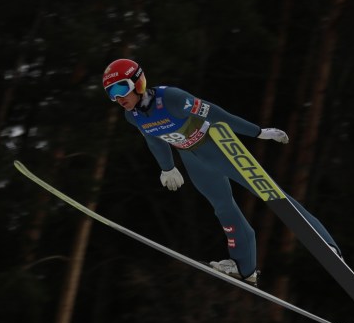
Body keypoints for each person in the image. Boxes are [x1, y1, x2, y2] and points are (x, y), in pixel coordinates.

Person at [102, 58, 340, 284]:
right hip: (192, 157)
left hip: (215, 145)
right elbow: (153, 138)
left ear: (139, 82)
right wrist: (167, 168)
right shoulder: (132, 116)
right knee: (223, 206)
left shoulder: (172, 98)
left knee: (268, 192)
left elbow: (216, 113)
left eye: (121, 88)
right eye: (111, 93)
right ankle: (244, 267)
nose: (118, 97)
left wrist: (258, 132)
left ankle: (325, 243)